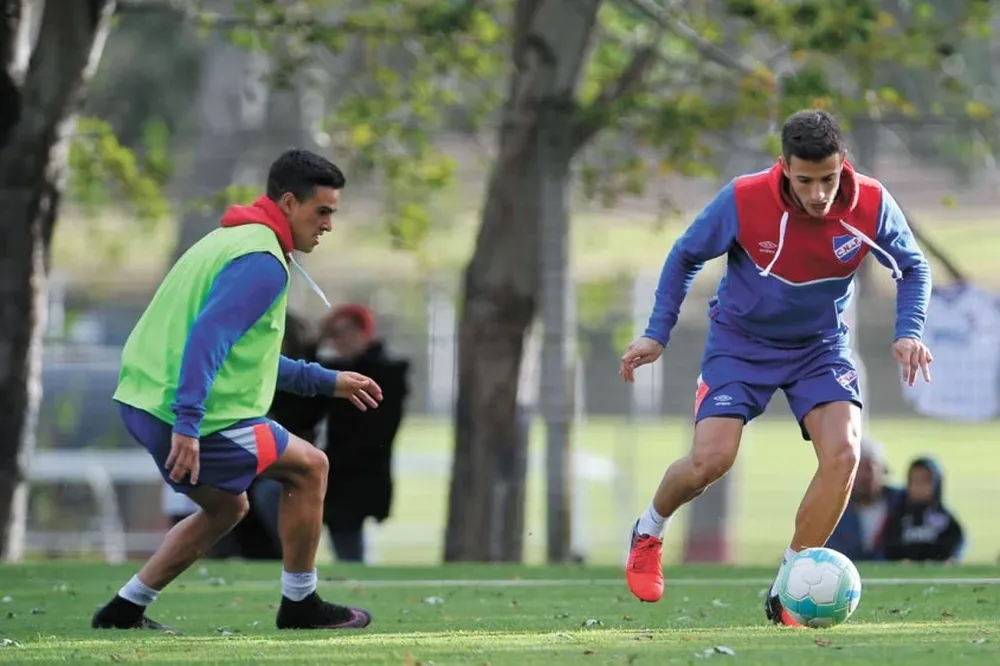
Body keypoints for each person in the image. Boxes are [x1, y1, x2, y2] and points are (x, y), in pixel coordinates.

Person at [619, 110, 933, 626]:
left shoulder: (871, 203)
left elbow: (913, 266)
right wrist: (657, 333)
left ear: (843, 166)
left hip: (820, 346)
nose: (818, 194)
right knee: (710, 461)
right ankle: (649, 530)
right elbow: (684, 256)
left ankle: (789, 585)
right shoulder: (744, 199)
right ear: (784, 167)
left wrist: (909, 331)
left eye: (828, 179)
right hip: (741, 344)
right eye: (805, 180)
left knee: (845, 454)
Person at [92, 149, 382, 632]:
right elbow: (208, 339)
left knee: (228, 507)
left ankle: (124, 609)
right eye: (323, 211)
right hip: (190, 415)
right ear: (289, 203)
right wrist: (187, 424)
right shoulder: (262, 263)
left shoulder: (230, 239)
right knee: (311, 467)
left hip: (144, 401)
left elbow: (245, 352)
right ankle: (301, 605)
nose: (329, 224)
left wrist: (327, 381)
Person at [317, 304, 410, 563]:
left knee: (348, 539)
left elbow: (377, 429)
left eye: (344, 331)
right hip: (342, 466)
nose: (339, 340)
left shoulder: (384, 371)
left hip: (358, 468)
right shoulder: (336, 370)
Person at [826, 437, 905, 561]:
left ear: (882, 470)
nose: (863, 475)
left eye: (869, 468)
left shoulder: (902, 502)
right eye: (857, 468)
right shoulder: (833, 509)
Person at [884, 456, 965, 562]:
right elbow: (889, 544)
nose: (919, 487)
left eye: (925, 481)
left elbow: (955, 543)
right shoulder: (899, 516)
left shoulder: (945, 517)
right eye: (914, 481)